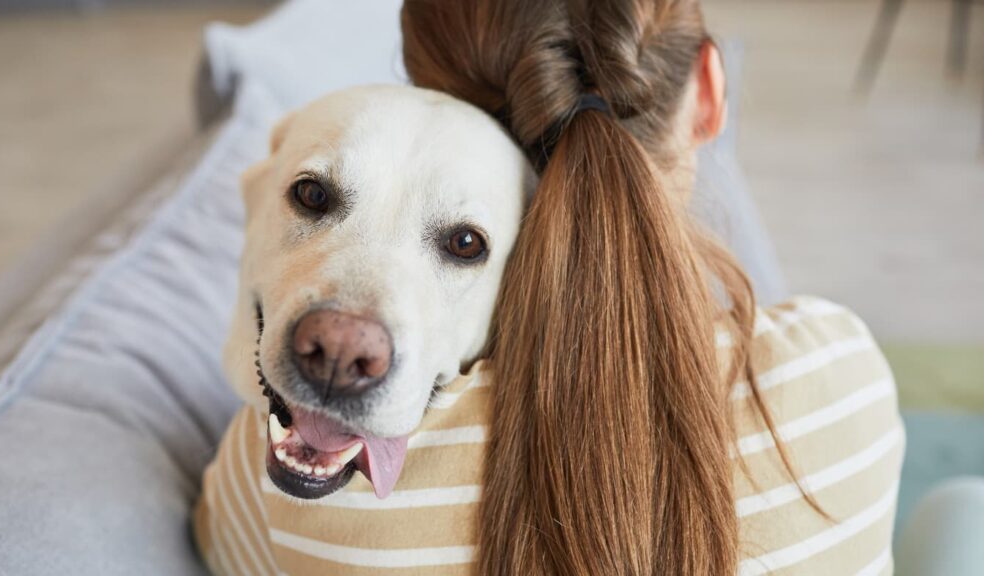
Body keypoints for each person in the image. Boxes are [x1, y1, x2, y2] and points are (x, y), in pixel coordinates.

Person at [195, 1, 905, 574]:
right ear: (713, 94)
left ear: (432, 82)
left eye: (463, 244)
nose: (341, 344)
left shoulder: (273, 497)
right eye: (315, 198)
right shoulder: (843, 370)